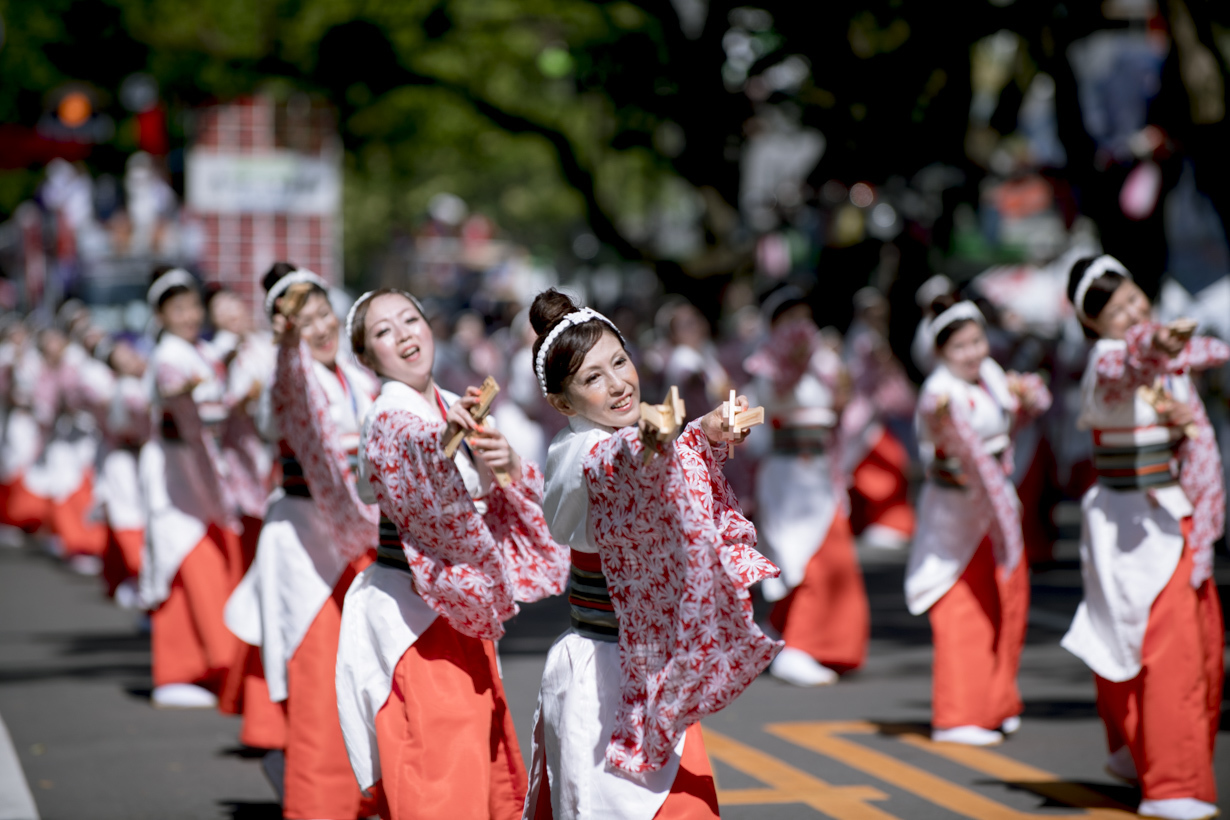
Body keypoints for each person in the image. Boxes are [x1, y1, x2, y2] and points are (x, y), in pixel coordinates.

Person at [522, 290, 779, 819]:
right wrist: (663, 440)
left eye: (620, 361)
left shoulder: (630, 437)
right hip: (603, 670)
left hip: (649, 660)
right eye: (592, 377)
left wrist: (700, 433)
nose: (617, 383)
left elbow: (649, 453)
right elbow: (619, 462)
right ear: (562, 402)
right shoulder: (578, 454)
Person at [335, 288, 568, 820]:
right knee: (441, 752)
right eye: (384, 332)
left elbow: (486, 486)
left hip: (456, 602)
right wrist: (446, 434)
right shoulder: (390, 416)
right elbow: (410, 446)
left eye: (410, 320)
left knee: (473, 744)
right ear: (368, 358)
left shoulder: (447, 403)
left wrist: (501, 460)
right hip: (412, 607)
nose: (405, 335)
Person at [1060, 255, 1224, 820]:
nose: (1133, 312)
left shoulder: (1164, 355)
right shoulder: (1110, 358)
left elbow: (1200, 351)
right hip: (1128, 526)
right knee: (1166, 648)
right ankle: (1172, 782)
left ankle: (1140, 755)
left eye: (1135, 299)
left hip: (1171, 514)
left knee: (1200, 644)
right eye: (1117, 309)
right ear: (1093, 325)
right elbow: (1130, 362)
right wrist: (1157, 339)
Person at [225, 265, 380, 819]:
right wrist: (287, 345)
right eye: (304, 321)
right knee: (318, 674)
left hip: (361, 538)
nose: (319, 327)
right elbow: (284, 389)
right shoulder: (286, 377)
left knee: (362, 670)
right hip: (304, 543)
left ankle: (364, 796)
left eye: (323, 314)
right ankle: (318, 801)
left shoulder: (357, 378)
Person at [905, 296, 1050, 746]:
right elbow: (937, 424)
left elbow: (1008, 426)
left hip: (991, 511)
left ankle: (992, 703)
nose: (972, 352)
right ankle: (956, 714)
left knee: (997, 606)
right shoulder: (938, 391)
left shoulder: (989, 377)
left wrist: (1025, 400)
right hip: (955, 515)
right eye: (960, 346)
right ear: (941, 353)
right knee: (960, 609)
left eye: (977, 340)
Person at [744, 287, 868, 686]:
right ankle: (798, 645)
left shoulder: (827, 363)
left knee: (829, 561)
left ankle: (799, 638)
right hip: (787, 478)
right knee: (803, 559)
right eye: (789, 318)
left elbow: (843, 408)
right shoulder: (765, 367)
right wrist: (788, 366)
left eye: (804, 316)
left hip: (821, 475)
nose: (799, 326)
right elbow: (755, 416)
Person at [139, 267, 242, 709]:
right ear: (161, 315)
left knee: (204, 567)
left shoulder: (199, 349)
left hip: (202, 478)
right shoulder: (168, 356)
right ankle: (177, 670)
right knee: (185, 566)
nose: (188, 315)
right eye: (177, 308)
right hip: (176, 480)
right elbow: (168, 385)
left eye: (193, 306)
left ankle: (203, 667)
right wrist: (183, 388)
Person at [95, 337, 151, 606]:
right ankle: (138, 577)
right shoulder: (126, 388)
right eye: (123, 358)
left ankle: (127, 578)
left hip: (134, 457)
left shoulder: (132, 384)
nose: (132, 359)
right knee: (130, 520)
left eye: (131, 353)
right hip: (126, 458)